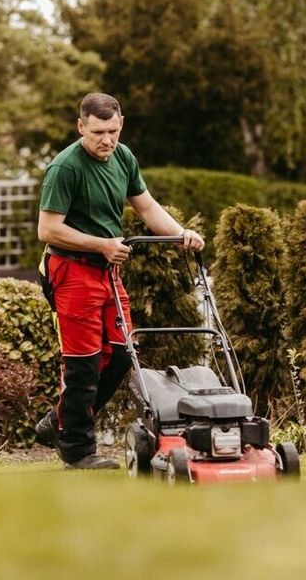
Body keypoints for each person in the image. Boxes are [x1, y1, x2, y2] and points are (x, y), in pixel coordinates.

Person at [35, 92, 204, 470]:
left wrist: (181, 234)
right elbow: (48, 229)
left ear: (121, 124)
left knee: (121, 352)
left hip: (107, 270)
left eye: (112, 131)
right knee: (82, 361)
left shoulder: (123, 157)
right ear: (81, 127)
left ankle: (59, 421)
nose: (106, 140)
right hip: (71, 270)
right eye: (97, 132)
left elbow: (145, 206)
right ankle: (77, 451)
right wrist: (102, 244)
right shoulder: (66, 168)